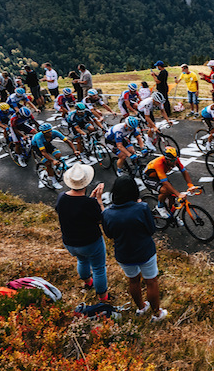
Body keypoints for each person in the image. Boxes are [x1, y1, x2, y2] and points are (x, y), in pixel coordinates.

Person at [102, 175, 167, 322]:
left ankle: (141, 307)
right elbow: (151, 229)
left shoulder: (107, 213)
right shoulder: (141, 208)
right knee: (151, 281)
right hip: (145, 251)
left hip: (124, 254)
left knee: (133, 281)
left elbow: (109, 234)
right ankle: (157, 314)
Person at [55, 162, 109, 302]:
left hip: (70, 242)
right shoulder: (90, 203)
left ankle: (87, 282)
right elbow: (103, 219)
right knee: (98, 269)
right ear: (86, 182)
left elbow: (74, 207)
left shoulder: (61, 198)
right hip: (91, 242)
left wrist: (91, 199)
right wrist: (98, 201)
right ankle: (103, 298)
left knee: (82, 260)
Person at [143, 147, 196, 219]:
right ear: (166, 159)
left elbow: (184, 172)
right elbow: (165, 182)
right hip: (149, 178)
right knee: (165, 190)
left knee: (172, 196)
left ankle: (172, 215)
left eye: (175, 159)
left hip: (160, 176)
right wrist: (179, 194)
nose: (174, 162)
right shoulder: (158, 163)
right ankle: (160, 207)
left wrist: (190, 185)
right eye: (172, 161)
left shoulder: (175, 159)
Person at [32, 122, 80, 190]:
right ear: (43, 133)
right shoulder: (39, 138)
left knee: (58, 155)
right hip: (37, 148)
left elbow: (68, 141)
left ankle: (55, 168)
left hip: (47, 144)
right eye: (48, 132)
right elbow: (43, 152)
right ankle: (54, 182)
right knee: (48, 163)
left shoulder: (55, 132)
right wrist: (53, 160)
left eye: (50, 131)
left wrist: (75, 150)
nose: (50, 133)